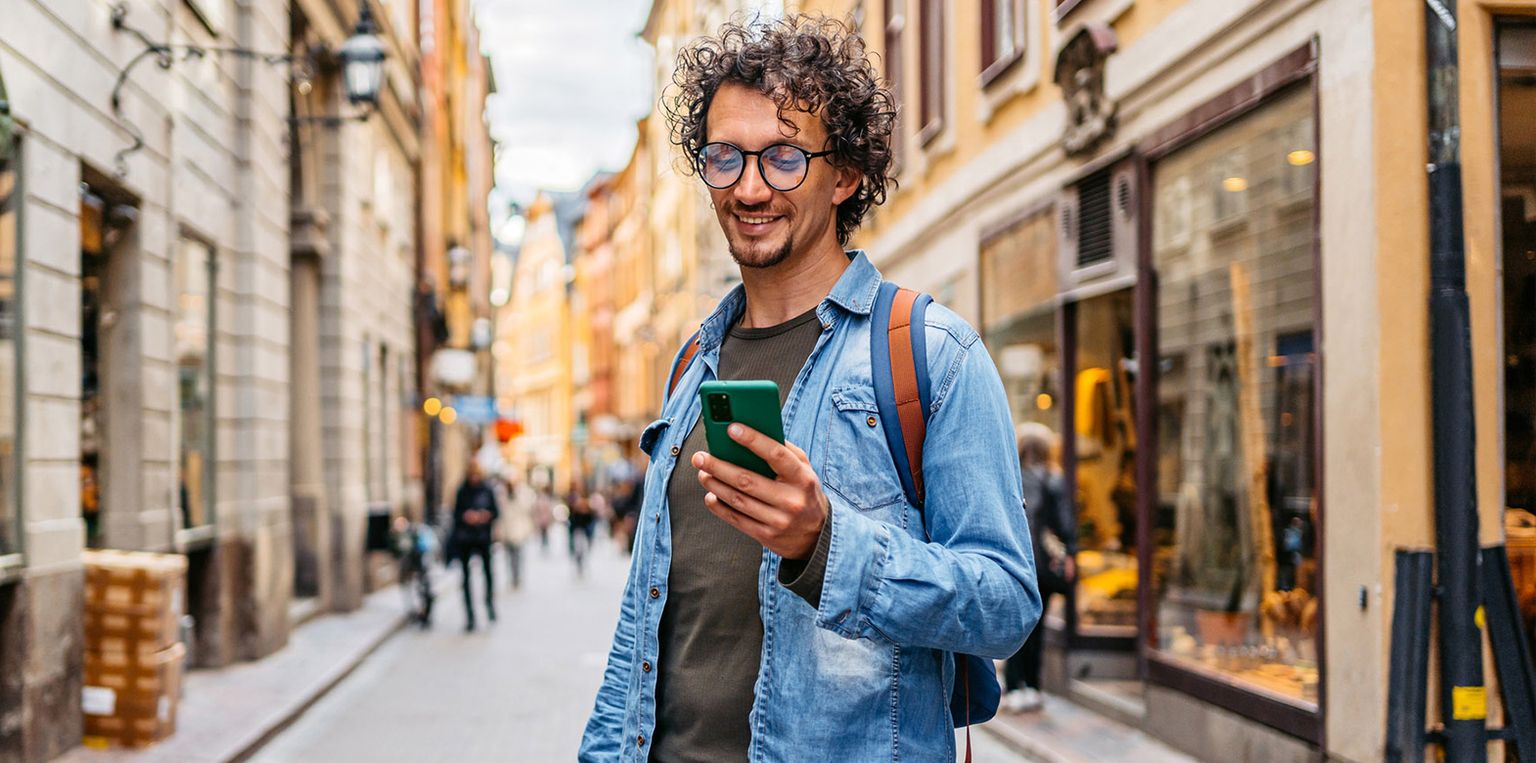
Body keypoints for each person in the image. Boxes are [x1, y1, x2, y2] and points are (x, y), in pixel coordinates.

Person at [580, 16, 1039, 762]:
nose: (750, 187)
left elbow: (1006, 603)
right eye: (724, 157)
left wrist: (826, 545)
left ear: (847, 174)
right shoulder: (693, 361)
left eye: (785, 158)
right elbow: (645, 621)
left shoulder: (931, 355)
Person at [1004, 423, 1077, 713]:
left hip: (1016, 562)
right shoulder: (1053, 480)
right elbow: (1065, 524)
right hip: (1044, 568)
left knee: (1016, 626)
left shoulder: (1010, 479)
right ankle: (1032, 686)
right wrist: (1070, 553)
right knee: (1038, 626)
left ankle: (1012, 687)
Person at [451, 460, 499, 631]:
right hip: (465, 538)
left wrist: (486, 516)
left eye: (476, 474)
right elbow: (455, 514)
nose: (474, 477)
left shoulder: (487, 490)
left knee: (488, 574)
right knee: (465, 578)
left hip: (483, 537)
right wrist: (466, 516)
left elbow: (496, 511)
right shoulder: (462, 491)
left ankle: (489, 605)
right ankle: (470, 615)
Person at [501, 471, 537, 590]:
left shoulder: (523, 493)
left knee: (518, 554)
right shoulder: (501, 494)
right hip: (507, 529)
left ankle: (517, 576)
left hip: (519, 529)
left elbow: (527, 508)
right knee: (509, 555)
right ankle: (512, 576)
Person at [565, 479, 597, 576]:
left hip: (585, 527)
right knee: (578, 547)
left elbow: (592, 515)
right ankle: (579, 563)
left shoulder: (587, 497)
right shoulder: (571, 497)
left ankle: (582, 563)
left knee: (584, 547)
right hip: (577, 527)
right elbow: (570, 514)